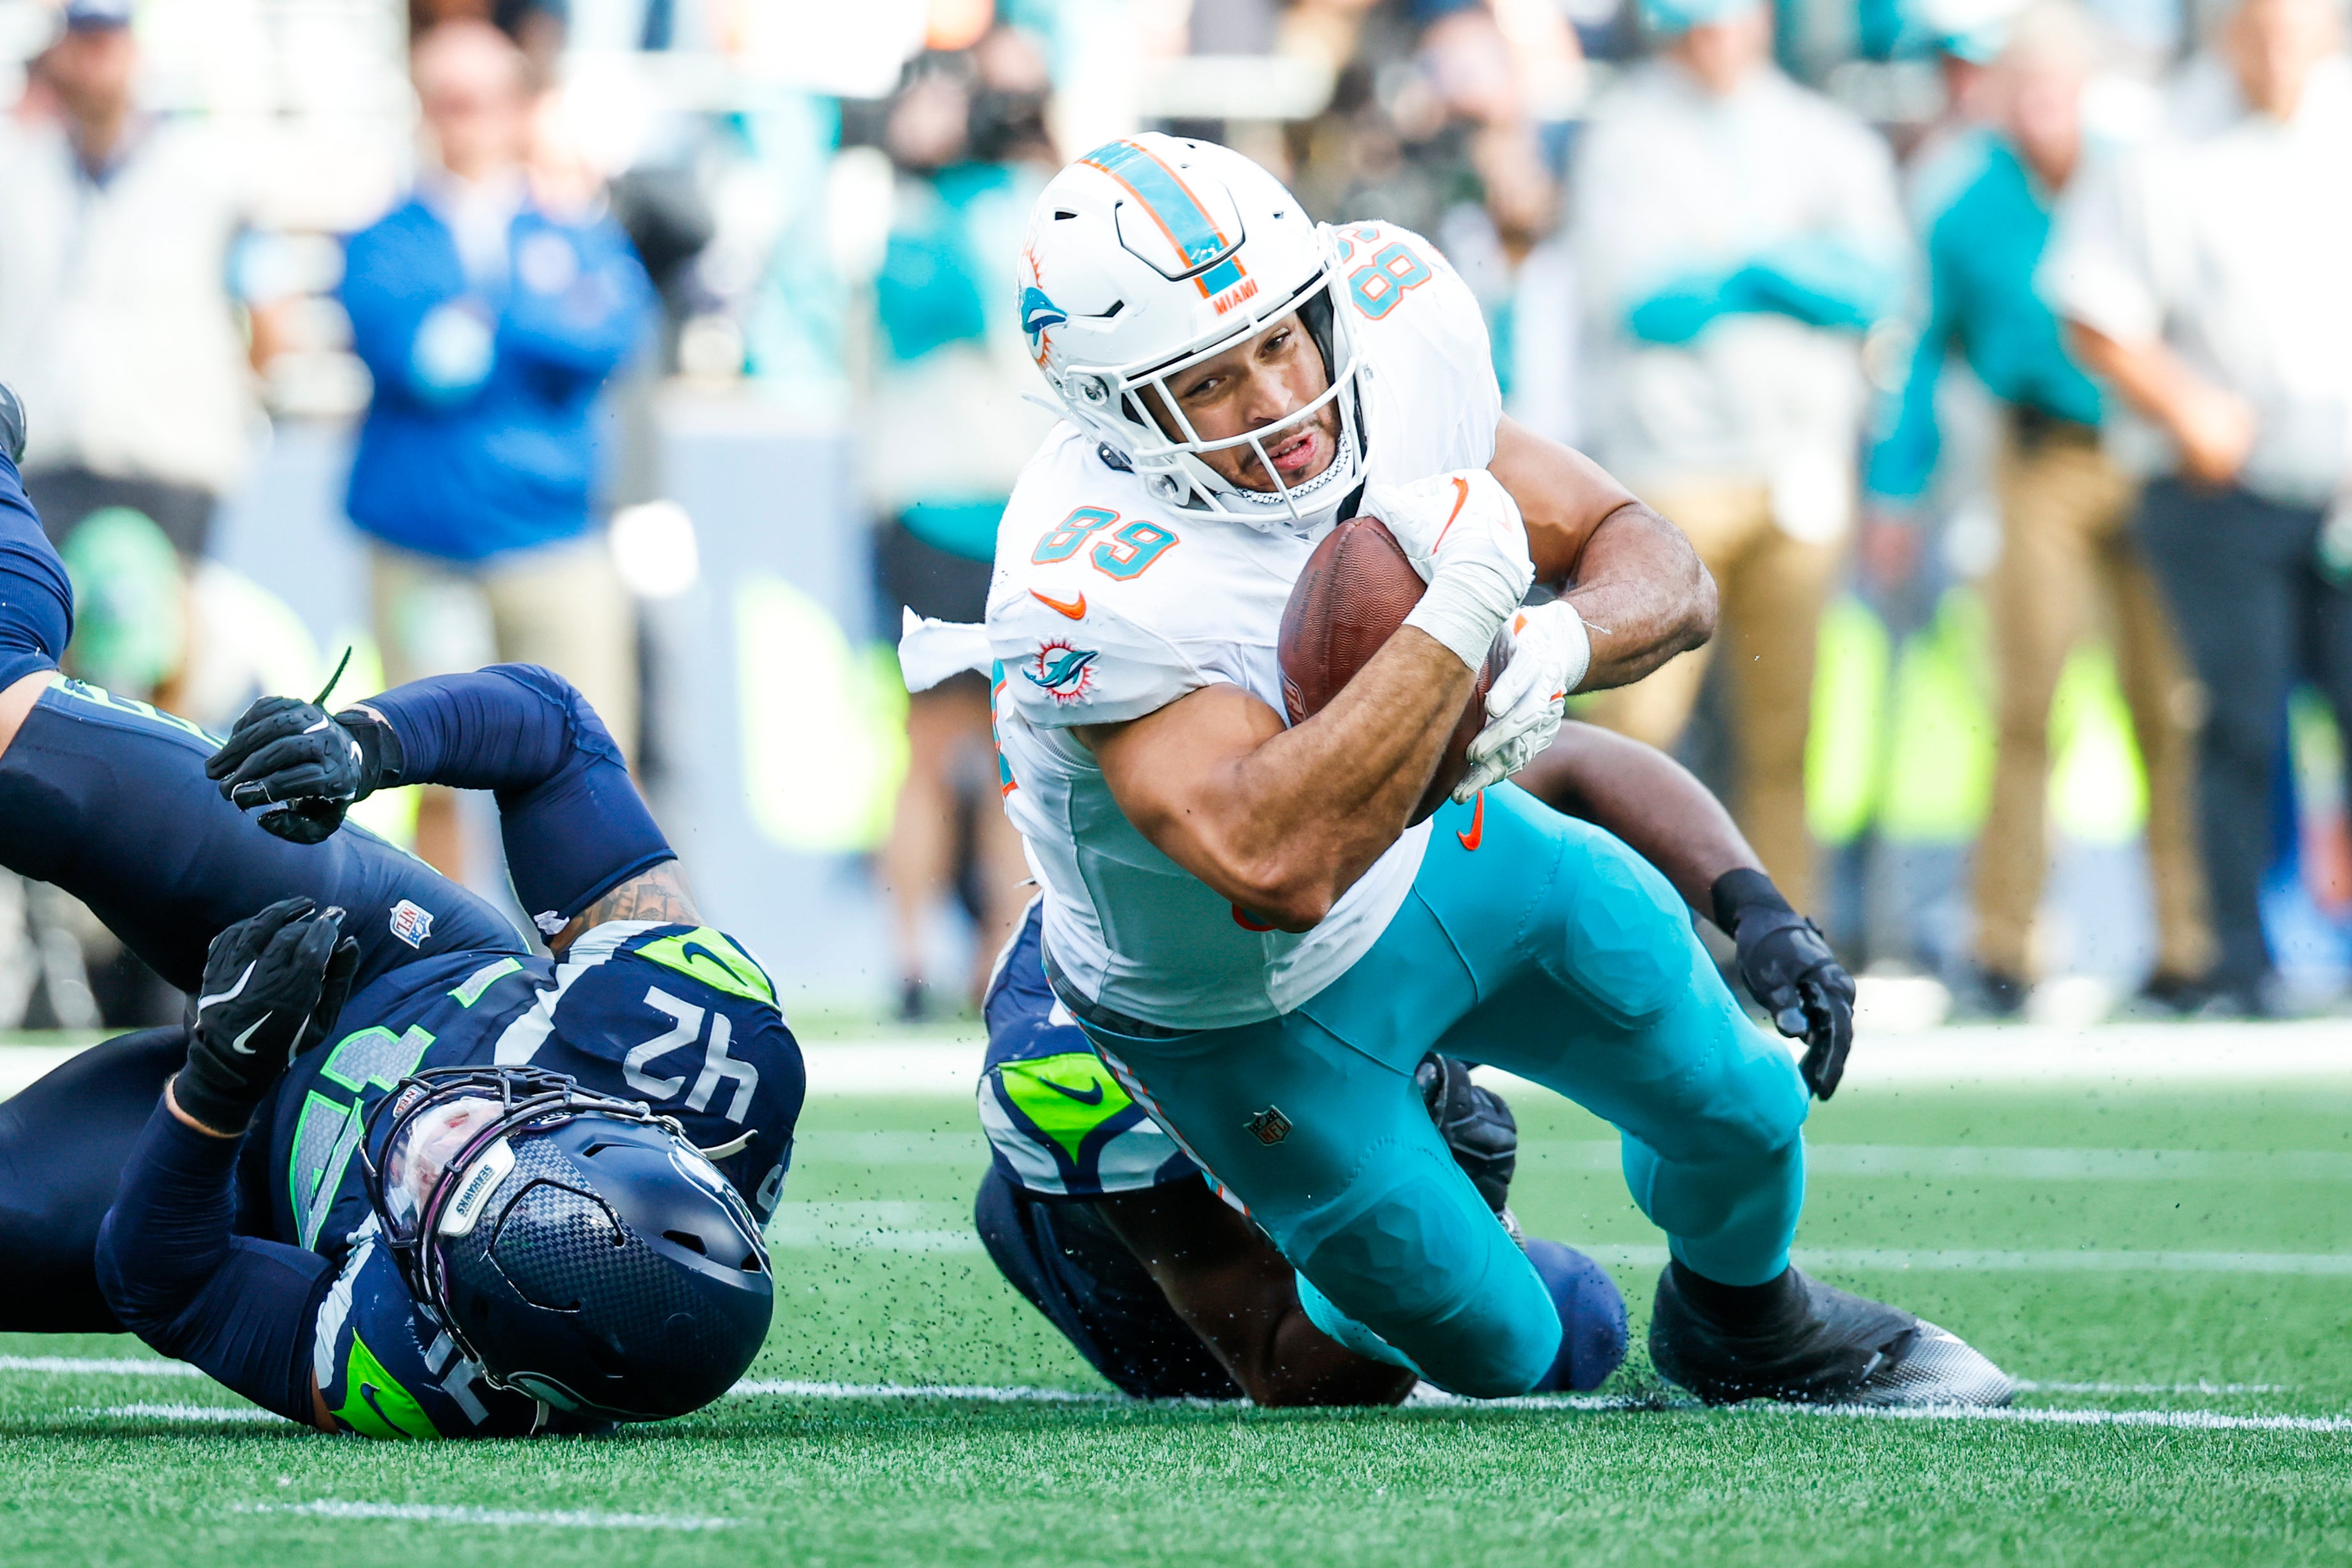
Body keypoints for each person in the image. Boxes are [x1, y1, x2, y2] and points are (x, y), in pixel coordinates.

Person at [985, 133, 2010, 1404]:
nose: (1274, 400)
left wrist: (1554, 638)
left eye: (1282, 337)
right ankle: (1132, 1220)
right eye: (1206, 382)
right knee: (1521, 1350)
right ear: (1111, 408)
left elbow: (1658, 566)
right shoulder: (1083, 581)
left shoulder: (1395, 326)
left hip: (1438, 864)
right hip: (1239, 1005)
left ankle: (1749, 1318)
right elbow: (1279, 864)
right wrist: (1462, 607)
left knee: (1744, 1102)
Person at [0, 396, 804, 1432]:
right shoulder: (694, 1040)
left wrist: (223, 1077)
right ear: (602, 1117)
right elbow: (553, 731)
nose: (424, 1136)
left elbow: (164, 1274)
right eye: (488, 1134)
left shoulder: (423, 1371)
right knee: (24, 752)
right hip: (382, 951)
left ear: (478, 1330)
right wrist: (364, 747)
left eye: (434, 1199)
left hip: (242, 1158)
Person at [967, 719, 1857, 1404]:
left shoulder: (1327, 798)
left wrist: (1755, 908)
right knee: (1570, 1326)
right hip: (1187, 1263)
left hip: (1336, 1046)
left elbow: (1577, 760)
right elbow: (1275, 1361)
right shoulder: (1067, 1060)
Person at [1866, 2, 2211, 1014]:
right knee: (2028, 701)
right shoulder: (1963, 204)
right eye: (2026, 92)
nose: (2042, 111)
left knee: (2171, 702)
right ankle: (2004, 939)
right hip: (2041, 456)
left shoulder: (2138, 173)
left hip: (2149, 453)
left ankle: (2194, 944)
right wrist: (1897, 489)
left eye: (2059, 91)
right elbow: (1924, 356)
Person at [2041, 0, 2352, 1014]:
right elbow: (2093, 305)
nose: (2276, 52)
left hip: (2339, 473)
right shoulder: (2156, 139)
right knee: (2239, 724)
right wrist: (2191, 406)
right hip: (2219, 484)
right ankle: (2239, 958)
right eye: (2256, 28)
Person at [1567, 0, 1909, 912]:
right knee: (1638, 723)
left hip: (1797, 464)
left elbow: (1874, 287)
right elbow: (1642, 302)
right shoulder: (1627, 137)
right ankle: (1606, 930)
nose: (1716, 36)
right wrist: (1789, 267)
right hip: (1670, 469)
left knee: (1783, 730)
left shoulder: (1821, 134)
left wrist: (1740, 267)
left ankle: (1782, 940)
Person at [340, 19, 654, 881]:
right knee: (428, 767)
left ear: (517, 108)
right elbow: (411, 353)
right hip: (424, 539)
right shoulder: (390, 235)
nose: (462, 120)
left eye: (478, 100)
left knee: (590, 762)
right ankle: (453, 962)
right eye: (443, 101)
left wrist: (489, 319)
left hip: (551, 533)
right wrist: (528, 321)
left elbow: (608, 334)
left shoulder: (569, 226)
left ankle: (595, 961)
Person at [862, 52, 1056, 1019]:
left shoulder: (946, 214)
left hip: (973, 501)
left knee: (983, 743)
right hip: (974, 502)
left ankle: (965, 954)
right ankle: (951, 956)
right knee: (974, 744)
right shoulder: (999, 210)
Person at [0, 0, 260, 556]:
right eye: (82, 44)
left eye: (108, 44)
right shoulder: (17, 172)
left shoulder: (209, 177)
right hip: (44, 459)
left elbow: (267, 313)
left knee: (164, 634)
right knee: (41, 635)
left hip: (169, 458)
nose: (96, 64)